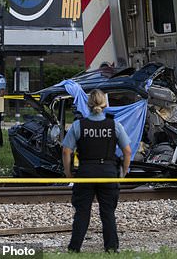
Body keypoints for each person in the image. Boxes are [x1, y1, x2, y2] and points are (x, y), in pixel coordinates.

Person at [62, 89, 132, 253]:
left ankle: (74, 248)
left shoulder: (79, 125)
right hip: (108, 172)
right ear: (105, 104)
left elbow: (66, 151)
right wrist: (123, 172)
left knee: (82, 212)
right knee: (108, 212)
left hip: (85, 172)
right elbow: (127, 151)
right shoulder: (114, 125)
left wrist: (68, 173)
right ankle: (111, 248)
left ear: (88, 105)